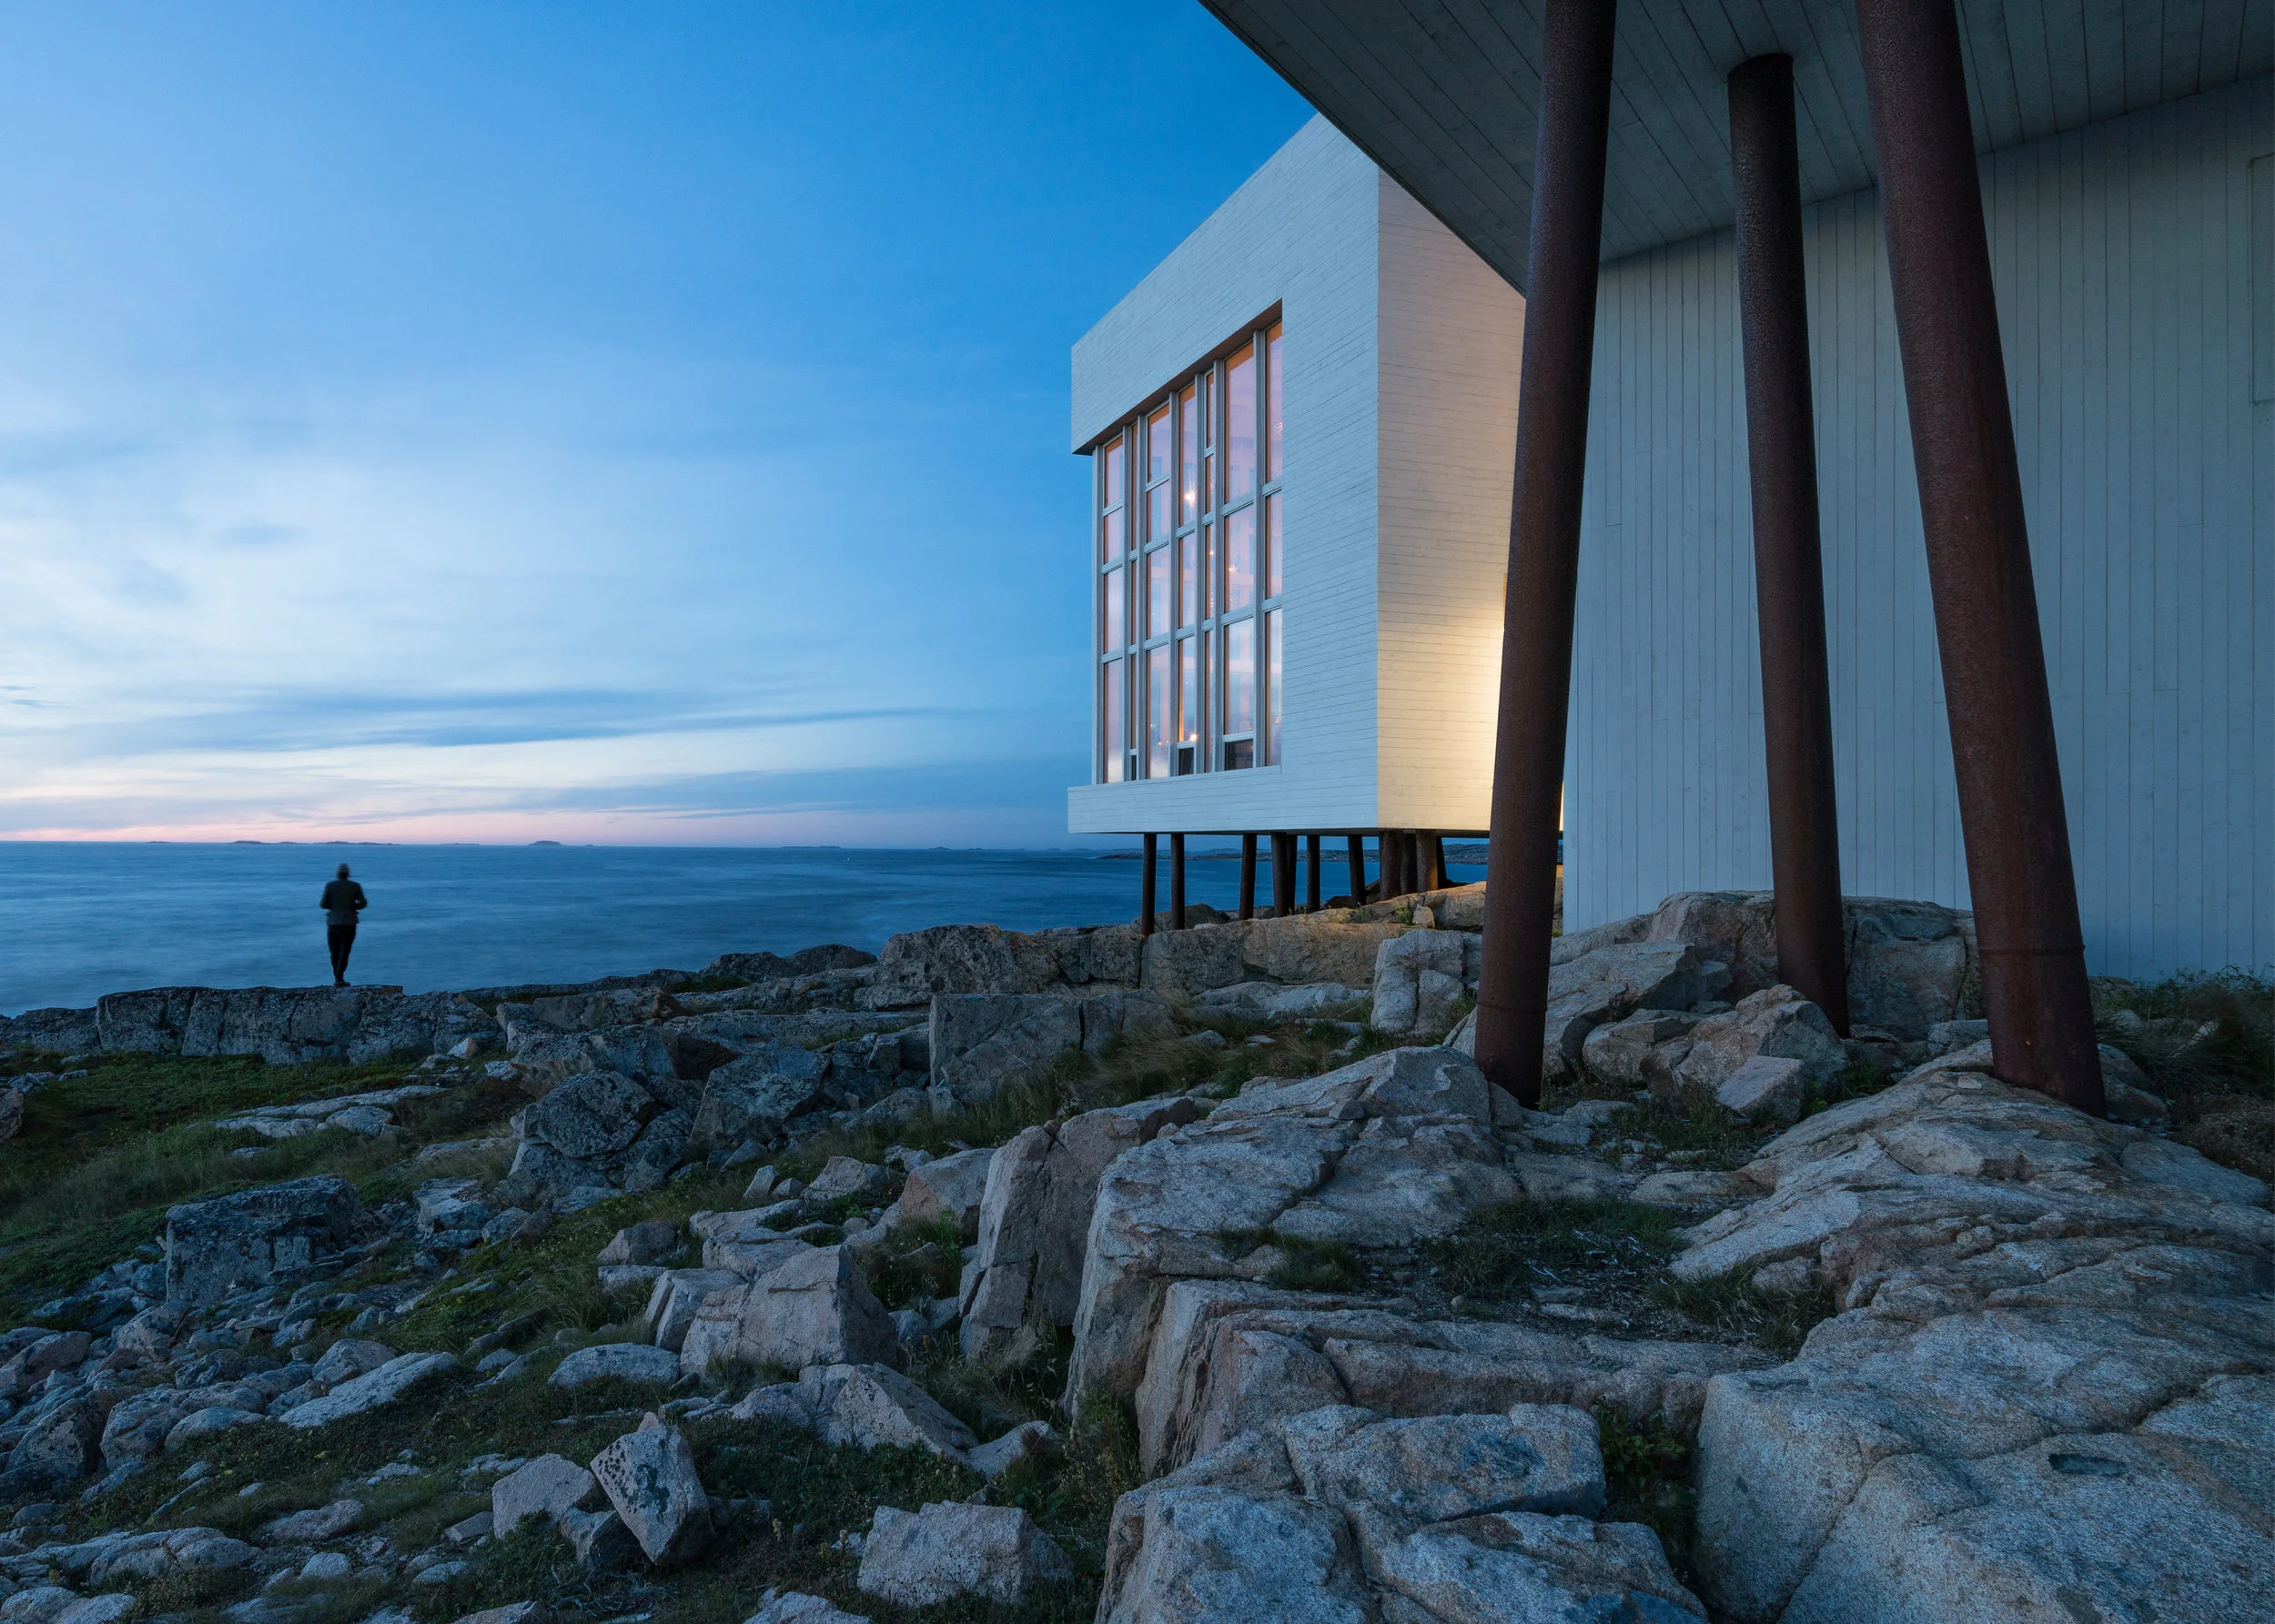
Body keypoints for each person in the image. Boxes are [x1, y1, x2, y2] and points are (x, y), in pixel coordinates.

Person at [319, 863, 368, 986]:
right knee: (345, 951)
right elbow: (363, 903)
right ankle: (340, 977)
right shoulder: (355, 886)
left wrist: (335, 906)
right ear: (348, 874)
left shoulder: (330, 885)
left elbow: (323, 904)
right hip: (349, 923)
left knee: (334, 952)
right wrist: (351, 906)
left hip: (333, 922)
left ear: (337, 874)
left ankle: (337, 977)